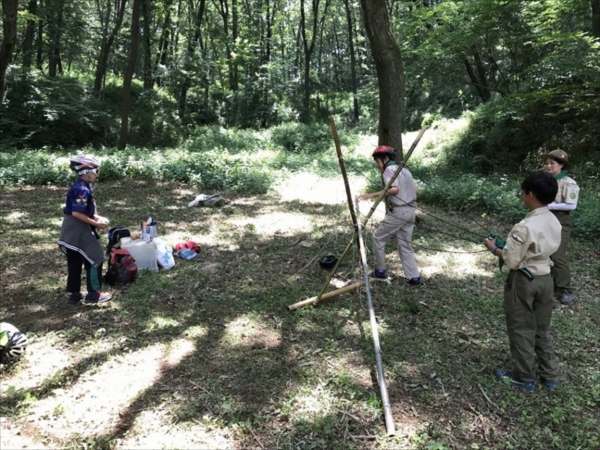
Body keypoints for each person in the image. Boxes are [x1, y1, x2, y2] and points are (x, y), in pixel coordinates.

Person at [484, 171, 562, 392]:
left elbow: (511, 259)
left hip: (524, 281)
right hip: (546, 278)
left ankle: (524, 376)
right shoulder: (554, 220)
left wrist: (494, 248)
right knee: (541, 328)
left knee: (521, 328)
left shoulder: (524, 226)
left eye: (522, 193)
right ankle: (550, 376)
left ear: (531, 194)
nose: (521, 196)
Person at [358, 145, 421, 285]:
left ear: (385, 159)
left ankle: (380, 271)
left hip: (399, 212)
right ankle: (414, 278)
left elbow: (394, 190)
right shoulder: (404, 170)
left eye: (377, 162)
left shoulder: (388, 170)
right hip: (411, 211)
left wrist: (371, 195)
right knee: (405, 244)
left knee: (378, 238)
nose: (377, 166)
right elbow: (416, 191)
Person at [57, 155, 112, 305]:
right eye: (96, 171)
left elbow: (83, 210)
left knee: (75, 259)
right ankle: (94, 294)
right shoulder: (81, 189)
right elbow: (76, 213)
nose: (97, 174)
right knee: (96, 257)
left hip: (71, 228)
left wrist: (97, 217)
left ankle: (74, 294)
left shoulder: (81, 186)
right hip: (77, 228)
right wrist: (96, 224)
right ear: (87, 172)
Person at [543, 149, 579, 305]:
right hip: (544, 219)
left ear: (561, 165)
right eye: (547, 163)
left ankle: (565, 289)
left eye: (552, 163)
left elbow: (571, 206)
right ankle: (547, 285)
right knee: (544, 252)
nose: (548, 166)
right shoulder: (546, 180)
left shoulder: (568, 182)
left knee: (557, 256)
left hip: (560, 221)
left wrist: (550, 206)